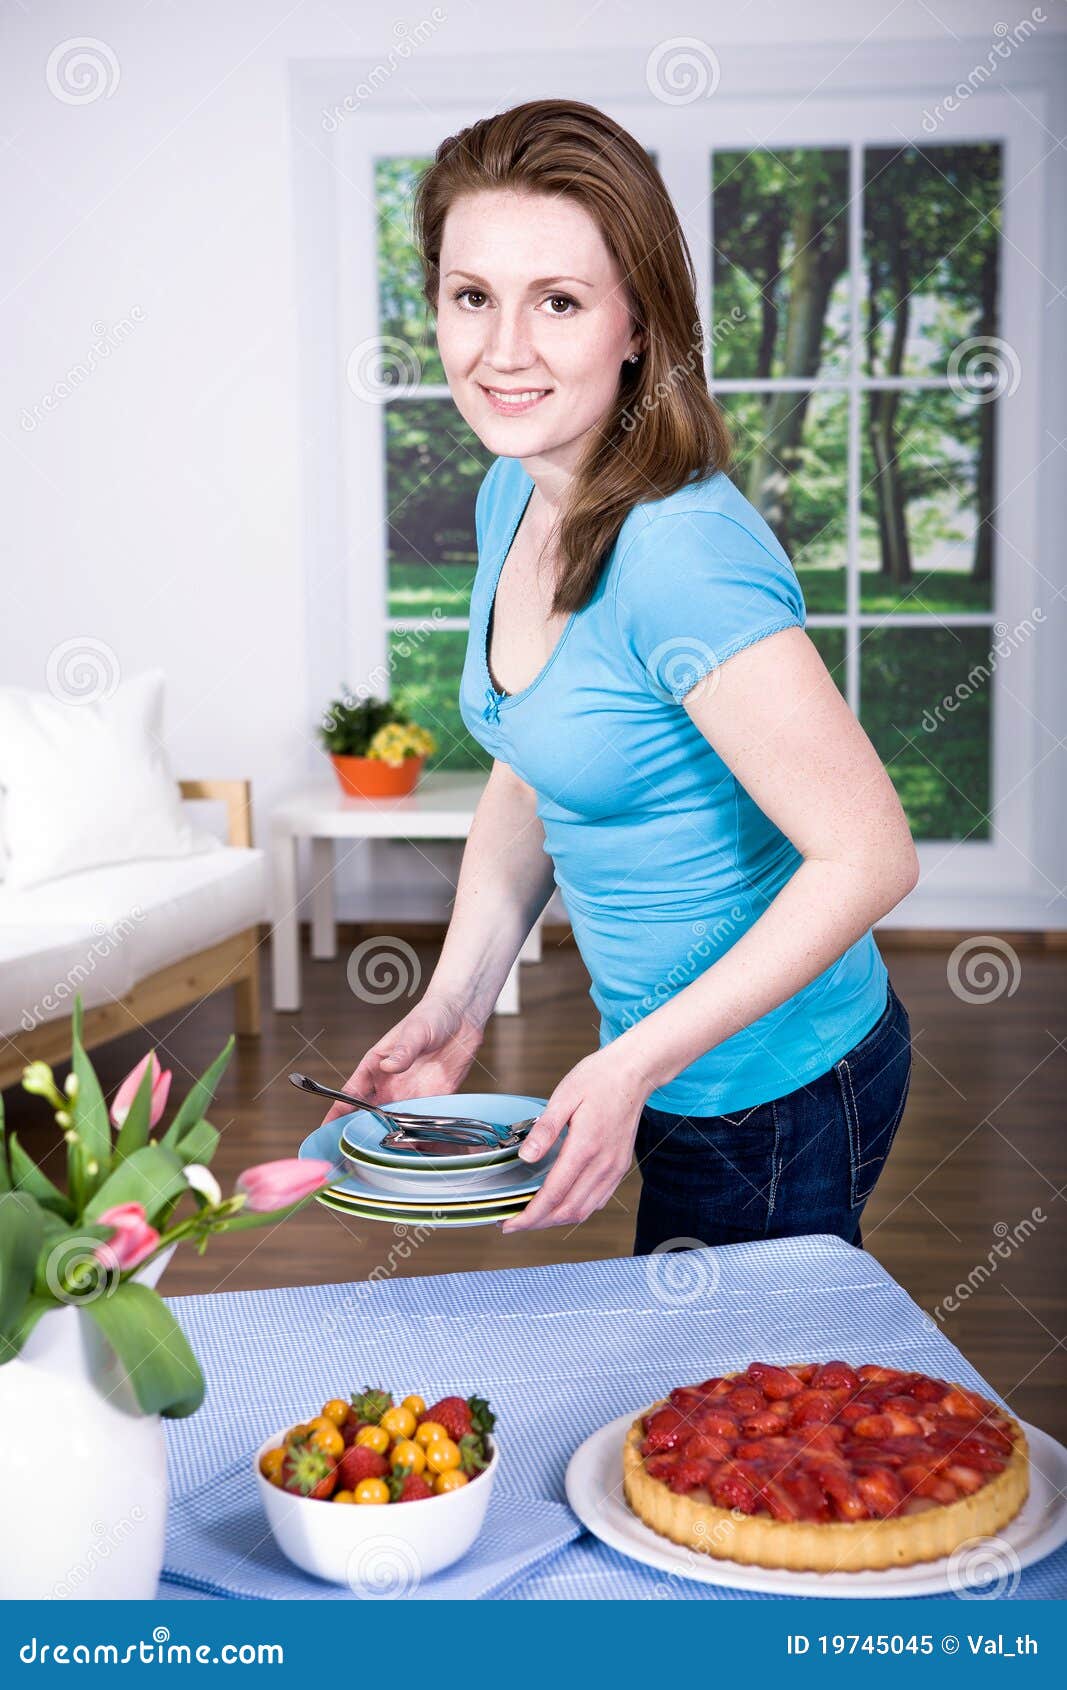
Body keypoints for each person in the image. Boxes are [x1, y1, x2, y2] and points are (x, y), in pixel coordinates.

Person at [321, 99, 918, 1254]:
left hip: (779, 1084)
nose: (502, 350)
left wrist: (631, 1061)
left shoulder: (677, 554)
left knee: (737, 1423)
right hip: (673, 1063)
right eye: (470, 296)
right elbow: (531, 764)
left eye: (558, 301)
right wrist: (450, 1009)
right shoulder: (517, 488)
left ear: (636, 323)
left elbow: (868, 854)